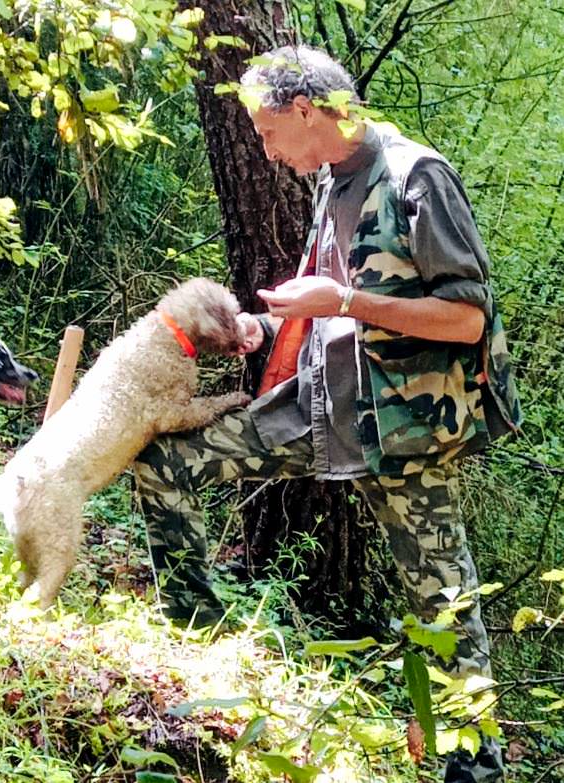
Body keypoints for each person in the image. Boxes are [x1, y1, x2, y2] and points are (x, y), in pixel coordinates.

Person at [133, 46, 521, 782]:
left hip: (405, 428)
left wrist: (341, 300)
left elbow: (466, 317)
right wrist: (266, 328)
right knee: (165, 461)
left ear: (306, 110)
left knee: (442, 606)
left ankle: (473, 769)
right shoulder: (330, 178)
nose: (267, 151)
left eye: (268, 132)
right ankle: (196, 645)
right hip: (320, 405)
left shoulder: (415, 176)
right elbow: (330, 301)